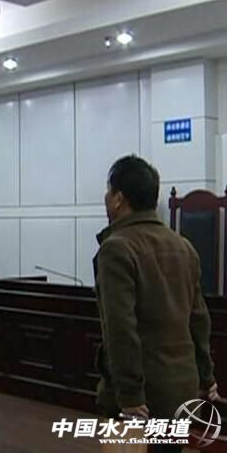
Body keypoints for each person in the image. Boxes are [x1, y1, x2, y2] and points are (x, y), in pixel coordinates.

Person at [95, 155, 218, 450]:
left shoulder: (116, 248)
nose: (106, 198)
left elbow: (121, 328)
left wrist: (129, 394)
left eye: (109, 191)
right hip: (183, 391)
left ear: (119, 199)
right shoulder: (184, 247)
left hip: (142, 400)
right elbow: (199, 321)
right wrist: (207, 377)